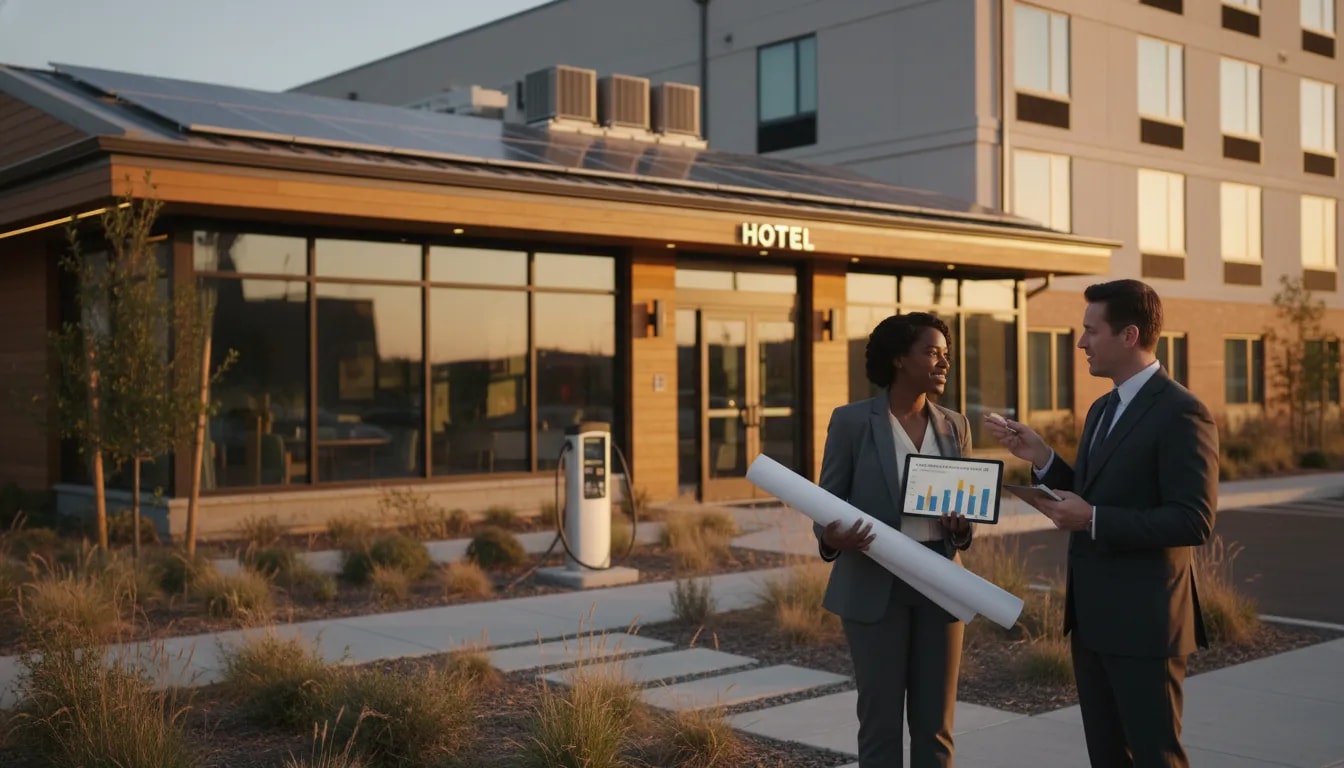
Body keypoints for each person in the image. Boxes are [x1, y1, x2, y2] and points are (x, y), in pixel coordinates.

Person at [983, 279, 1219, 768]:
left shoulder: (1182, 412)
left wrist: (1093, 518)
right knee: (1108, 758)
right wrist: (1044, 458)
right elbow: (1095, 492)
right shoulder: (1103, 407)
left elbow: (1193, 520)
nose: (1081, 342)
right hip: (1092, 621)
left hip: (1145, 625)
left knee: (1156, 757)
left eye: (1091, 330)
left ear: (1129, 335)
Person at [813, 311, 974, 768]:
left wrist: (962, 527)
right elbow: (827, 502)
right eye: (932, 352)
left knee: (936, 728)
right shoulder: (851, 422)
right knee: (881, 723)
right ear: (900, 358)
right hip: (872, 586)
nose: (944, 362)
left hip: (940, 587)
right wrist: (832, 535)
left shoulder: (955, 425)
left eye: (947, 354)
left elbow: (964, 520)